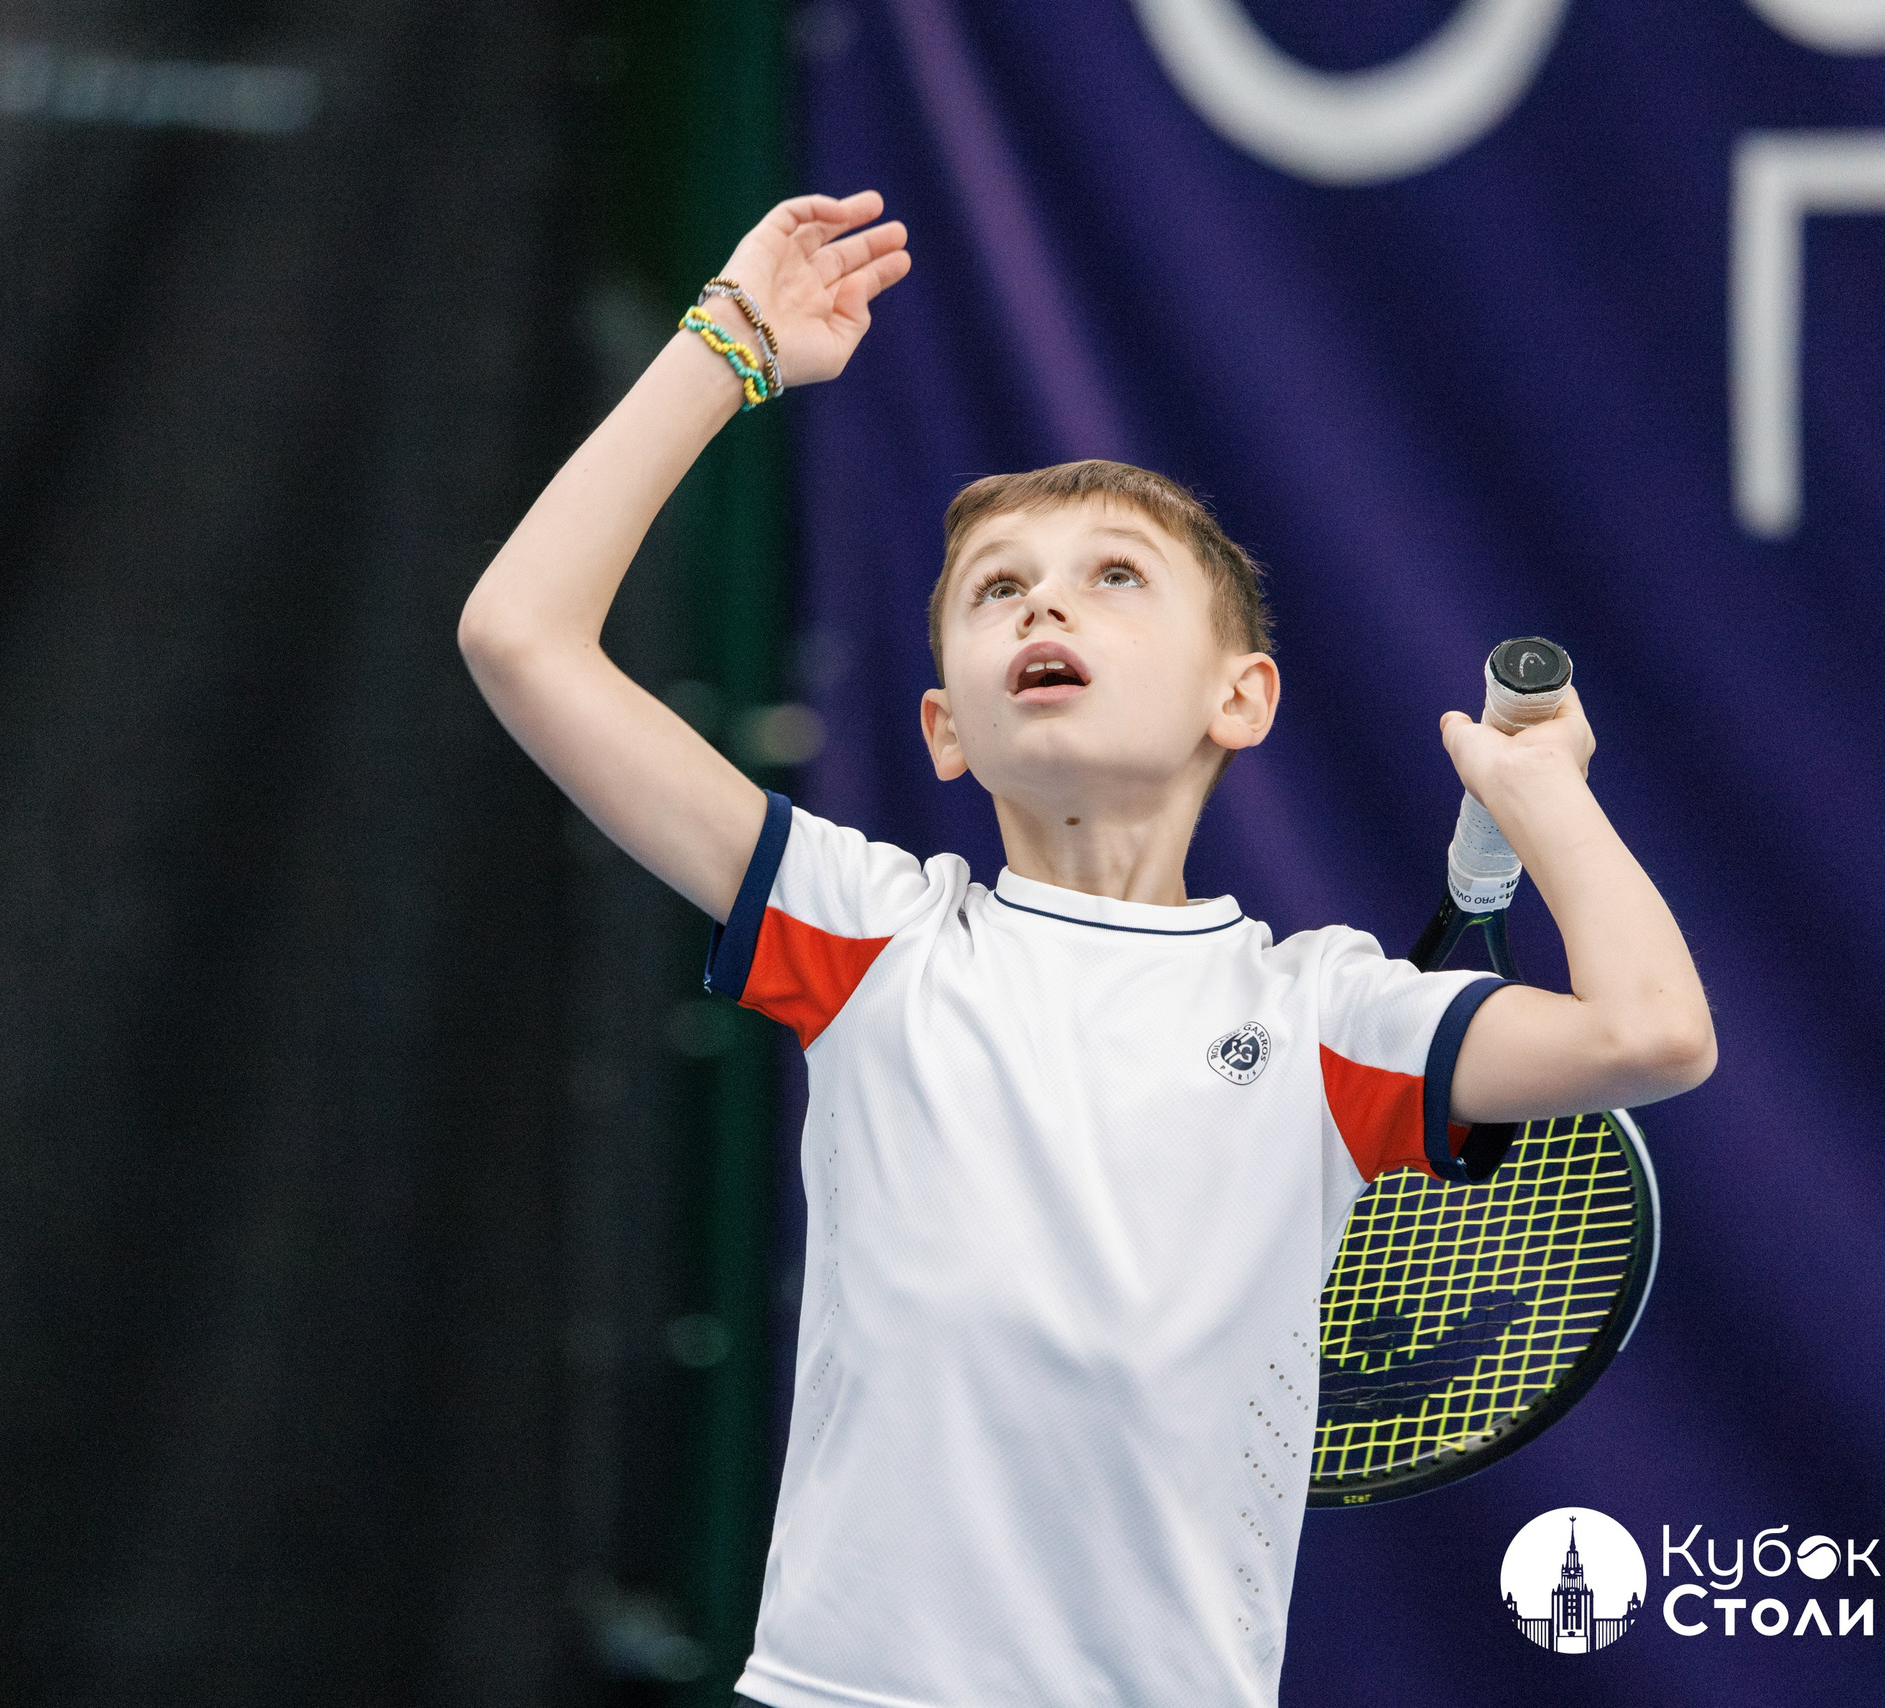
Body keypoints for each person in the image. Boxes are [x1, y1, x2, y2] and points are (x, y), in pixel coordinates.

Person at [458, 191, 1715, 1707]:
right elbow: (520, 636)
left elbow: (1654, 1035)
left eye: (1114, 576)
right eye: (998, 590)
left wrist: (1542, 796)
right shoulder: (867, 934)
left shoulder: (1332, 1015)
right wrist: (726, 348)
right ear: (944, 730)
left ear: (1237, 699)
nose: (1045, 597)